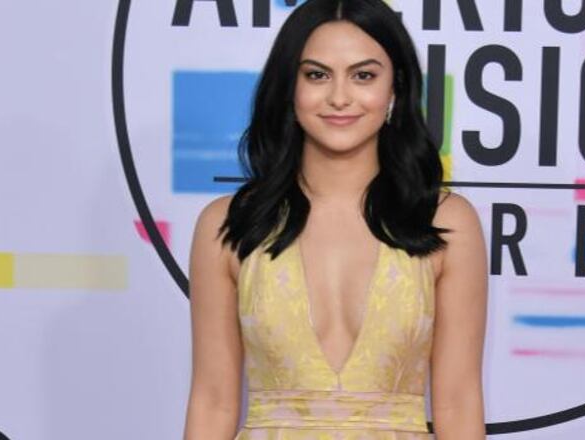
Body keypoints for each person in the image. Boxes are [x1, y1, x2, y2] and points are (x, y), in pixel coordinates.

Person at [183, 0, 488, 438]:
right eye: (317, 75)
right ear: (289, 88)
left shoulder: (446, 223)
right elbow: (213, 401)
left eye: (363, 76)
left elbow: (458, 403)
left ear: (395, 88)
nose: (340, 97)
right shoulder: (227, 225)